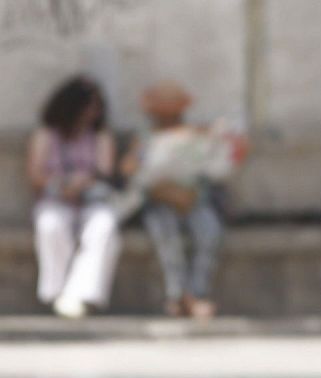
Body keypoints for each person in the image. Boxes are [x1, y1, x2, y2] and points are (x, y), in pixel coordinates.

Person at [120, 81, 242, 319]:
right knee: (168, 241)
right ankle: (177, 296)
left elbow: (214, 166)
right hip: (159, 202)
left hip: (193, 200)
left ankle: (198, 293)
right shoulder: (146, 139)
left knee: (208, 233)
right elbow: (129, 170)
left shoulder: (196, 134)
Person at [27, 75, 121, 318]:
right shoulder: (46, 135)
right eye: (89, 105)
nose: (93, 112)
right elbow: (35, 176)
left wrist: (82, 183)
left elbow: (104, 173)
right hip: (55, 199)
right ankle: (57, 293)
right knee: (51, 225)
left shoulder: (100, 136)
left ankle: (81, 293)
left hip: (92, 200)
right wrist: (61, 186)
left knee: (104, 226)